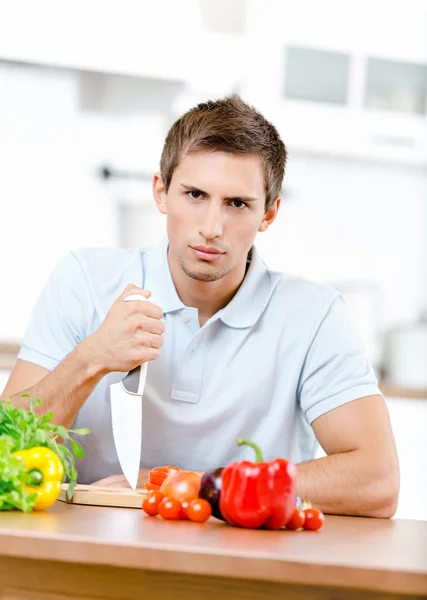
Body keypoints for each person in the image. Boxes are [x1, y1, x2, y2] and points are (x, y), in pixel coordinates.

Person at [2, 95, 399, 518]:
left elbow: (377, 481)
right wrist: (90, 360)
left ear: (269, 213)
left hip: (238, 567)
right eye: (194, 194)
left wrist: (195, 486)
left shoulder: (315, 316)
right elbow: (6, 452)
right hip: (83, 554)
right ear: (161, 192)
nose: (211, 228)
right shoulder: (84, 280)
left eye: (237, 203)